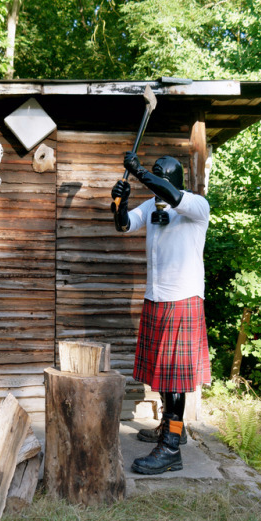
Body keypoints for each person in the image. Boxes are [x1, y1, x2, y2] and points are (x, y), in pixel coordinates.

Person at [111, 152, 211, 474]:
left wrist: (138, 172)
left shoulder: (195, 207)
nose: (155, 188)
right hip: (157, 298)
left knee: (176, 377)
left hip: (182, 299)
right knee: (163, 376)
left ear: (173, 181)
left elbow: (172, 195)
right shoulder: (154, 205)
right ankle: (171, 429)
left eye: (158, 178)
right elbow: (124, 226)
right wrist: (119, 204)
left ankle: (170, 448)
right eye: (151, 179)